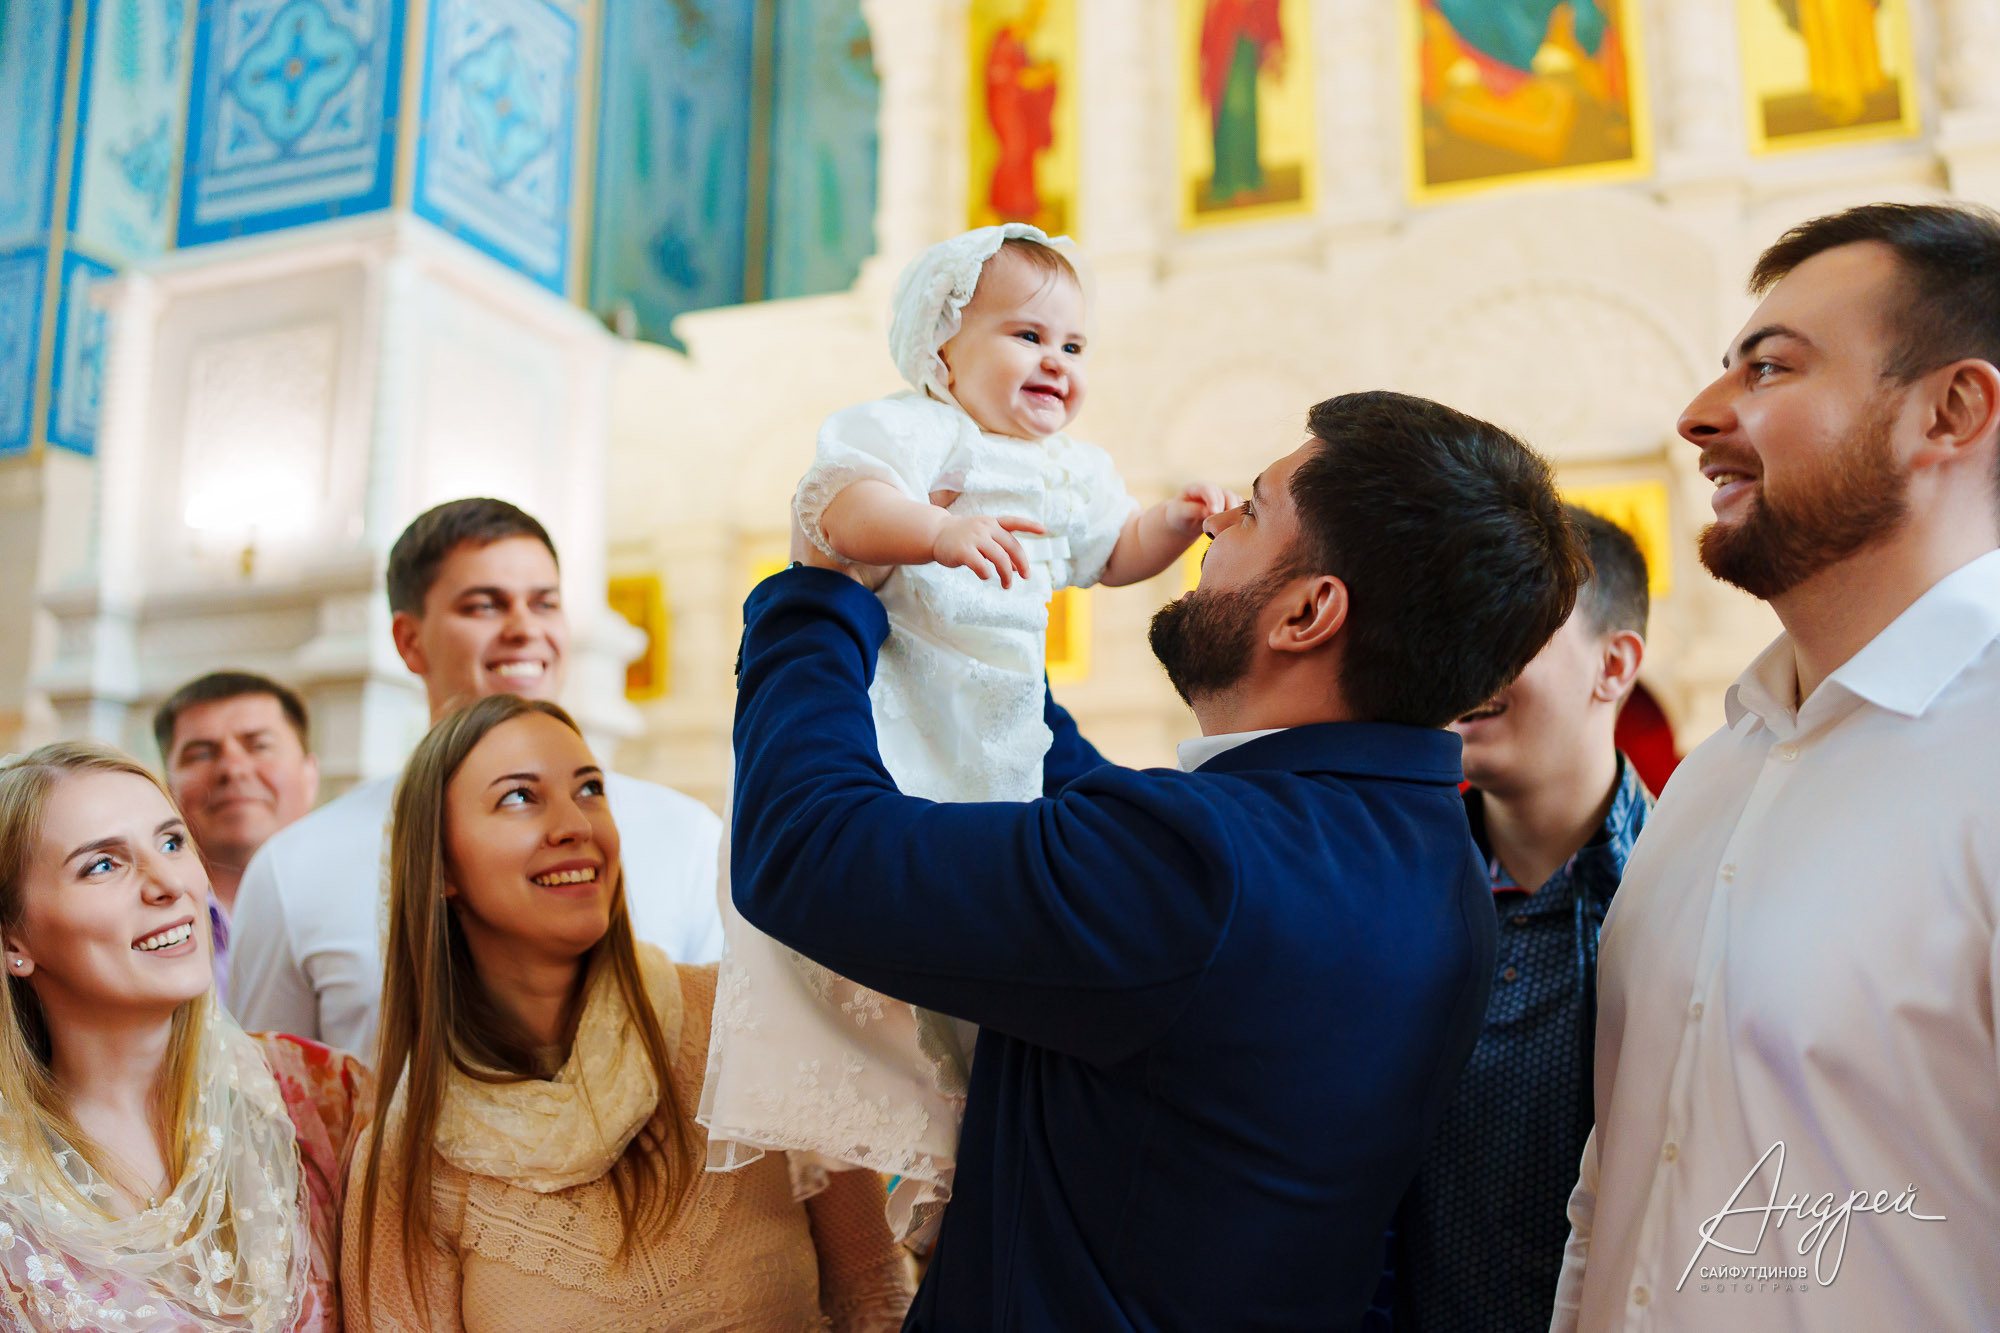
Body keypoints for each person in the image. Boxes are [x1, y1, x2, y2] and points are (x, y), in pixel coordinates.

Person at [732, 389, 1588, 1328]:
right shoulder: (1435, 862)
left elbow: (807, 848)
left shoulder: (1197, 867)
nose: (1217, 517)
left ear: (1306, 611)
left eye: (1253, 510)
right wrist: (979, 635)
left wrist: (817, 595)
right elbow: (1087, 825)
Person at [702, 225, 1229, 1241]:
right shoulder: (919, 430)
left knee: (978, 941)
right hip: (906, 701)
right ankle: (916, 1157)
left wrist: (1172, 519)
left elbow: (1110, 552)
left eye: (1071, 348)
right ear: (940, 349)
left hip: (1001, 733)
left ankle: (963, 1156)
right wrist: (939, 530)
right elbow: (839, 509)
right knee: (892, 912)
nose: (1053, 364)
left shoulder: (1069, 468)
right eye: (1025, 335)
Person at [1553, 202, 2000, 1330]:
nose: (1699, 418)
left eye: (1768, 369)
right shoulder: (1713, 775)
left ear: (1949, 410)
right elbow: (1616, 1189)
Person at [343, 694, 913, 1331]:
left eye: (589, 790)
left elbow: (875, 1301)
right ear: (441, 864)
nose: (575, 825)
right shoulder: (408, 1156)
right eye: (518, 798)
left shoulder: (750, 1023)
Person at [229, 499, 725, 1057]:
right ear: (410, 641)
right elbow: (271, 1110)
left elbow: (720, 1070)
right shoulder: (297, 865)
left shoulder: (685, 834)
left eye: (544, 603)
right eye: (485, 605)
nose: (524, 628)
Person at [1383, 507, 1651, 1331]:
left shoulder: (1686, 892)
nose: (1467, 660)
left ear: (1614, 664)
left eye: (1511, 627)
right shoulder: (1391, 890)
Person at [0, 742, 370, 1331]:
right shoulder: (10, 1195)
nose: (168, 882)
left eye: (172, 842)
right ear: (14, 940)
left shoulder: (324, 1097)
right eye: (102, 865)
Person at [155, 670, 321, 1000]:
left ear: (309, 774)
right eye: (201, 753)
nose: (233, 768)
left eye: (259, 745)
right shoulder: (139, 921)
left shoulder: (376, 903)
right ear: (164, 788)